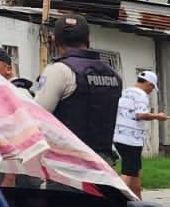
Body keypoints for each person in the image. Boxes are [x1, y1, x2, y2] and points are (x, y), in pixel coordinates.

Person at [34, 13, 123, 163]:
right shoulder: (113, 74)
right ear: (88, 40)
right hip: (102, 164)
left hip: (68, 164)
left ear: (55, 41)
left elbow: (37, 117)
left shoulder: (59, 70)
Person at [113, 71, 168, 199]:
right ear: (148, 84)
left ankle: (138, 201)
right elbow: (140, 115)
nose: (151, 90)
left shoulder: (125, 92)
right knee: (128, 171)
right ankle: (115, 199)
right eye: (152, 87)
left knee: (135, 172)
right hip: (131, 139)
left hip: (119, 136)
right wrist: (158, 116)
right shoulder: (141, 95)